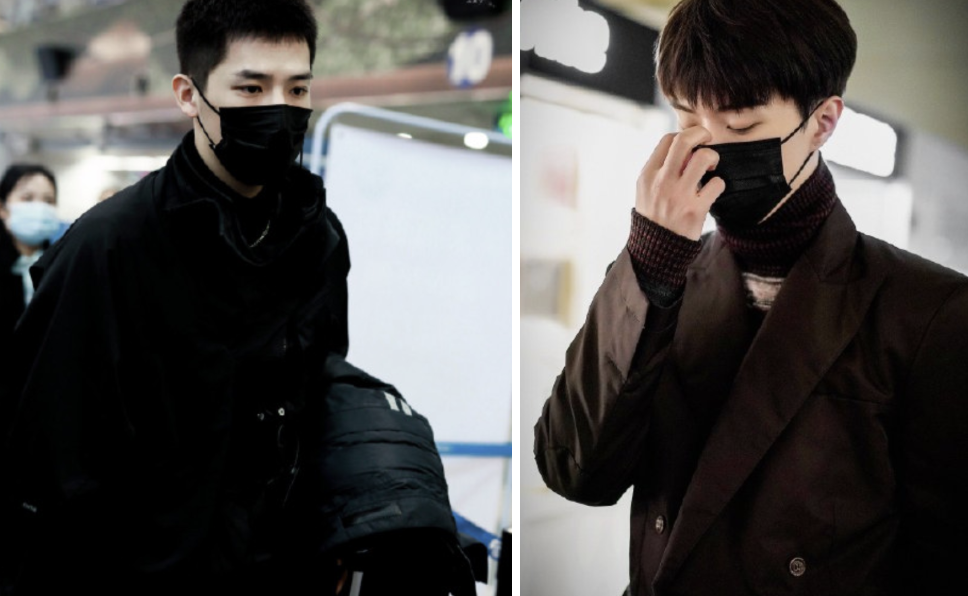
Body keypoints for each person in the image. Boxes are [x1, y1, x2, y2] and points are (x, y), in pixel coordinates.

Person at [0, 1, 473, 594]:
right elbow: (43, 460)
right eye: (251, 88)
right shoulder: (109, 247)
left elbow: (312, 393)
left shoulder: (317, 238)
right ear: (188, 95)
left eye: (297, 88)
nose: (279, 109)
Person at [533, 1, 968, 594]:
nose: (707, 148)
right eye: (687, 118)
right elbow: (573, 470)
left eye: (740, 127)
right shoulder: (659, 276)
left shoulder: (928, 312)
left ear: (822, 122)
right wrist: (651, 263)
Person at [0, 164, 59, 364]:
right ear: (3, 208)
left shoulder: (61, 266)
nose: (40, 208)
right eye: (27, 198)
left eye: (49, 201)